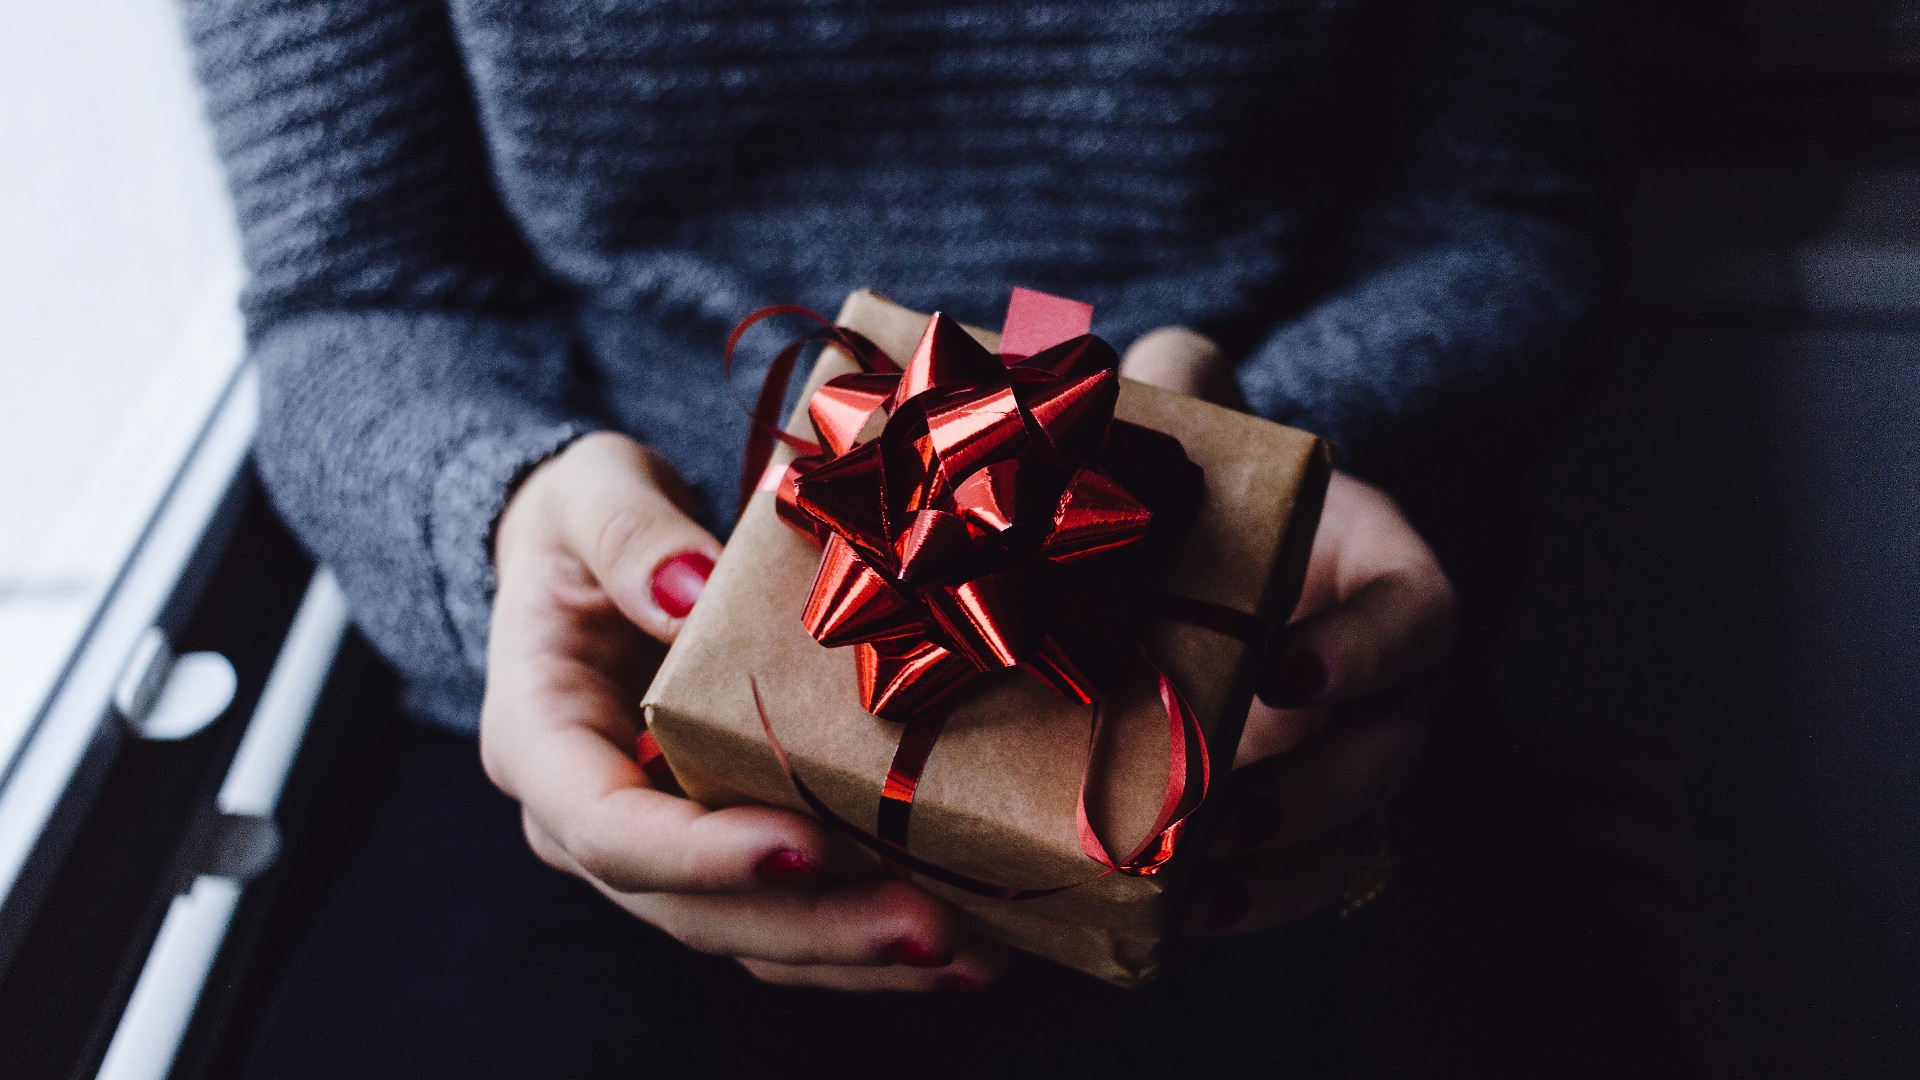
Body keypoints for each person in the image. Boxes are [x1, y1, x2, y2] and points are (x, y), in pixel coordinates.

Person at [177, 0, 1591, 1073]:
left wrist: (1256, 473)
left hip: (1256, 669)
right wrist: (494, 514)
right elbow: (353, 287)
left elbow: (1501, 212)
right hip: (629, 681)